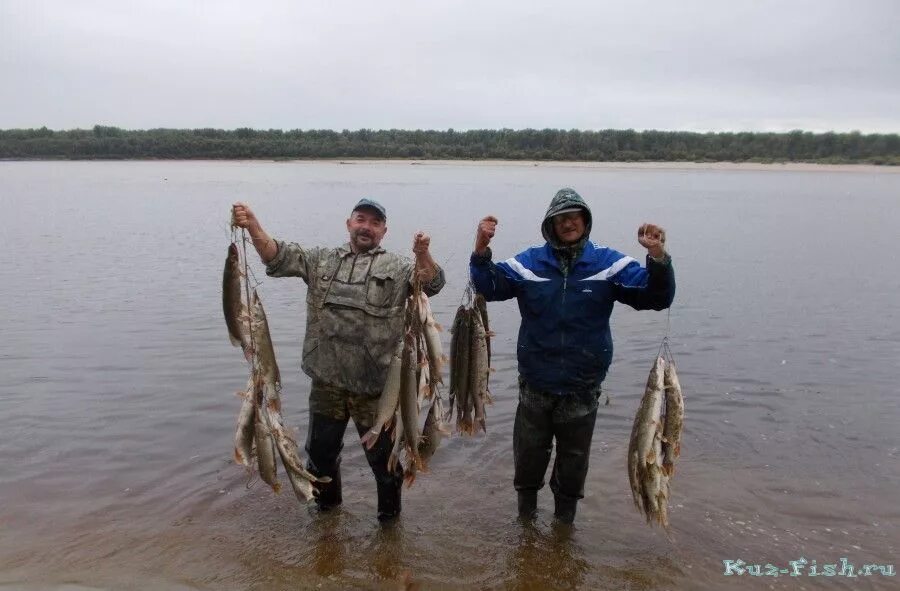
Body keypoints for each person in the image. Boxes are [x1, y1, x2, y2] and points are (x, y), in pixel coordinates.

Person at [469, 188, 675, 524]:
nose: (568, 223)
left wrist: (658, 257)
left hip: (583, 386)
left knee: (574, 462)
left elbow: (655, 296)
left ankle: (564, 525)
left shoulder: (608, 264)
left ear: (586, 220)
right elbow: (488, 286)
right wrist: (480, 250)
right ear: (550, 225)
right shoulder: (529, 263)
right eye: (561, 218)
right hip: (535, 383)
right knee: (529, 457)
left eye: (574, 216)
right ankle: (526, 521)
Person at [232, 198, 445, 521]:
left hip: (375, 391)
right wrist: (252, 225)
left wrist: (422, 254)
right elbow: (276, 255)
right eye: (361, 219)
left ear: (383, 232)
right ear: (349, 224)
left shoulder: (399, 267)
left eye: (375, 223)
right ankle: (327, 519)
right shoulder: (320, 260)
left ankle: (389, 528)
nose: (366, 227)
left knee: (385, 465)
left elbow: (434, 282)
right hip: (326, 385)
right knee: (320, 457)